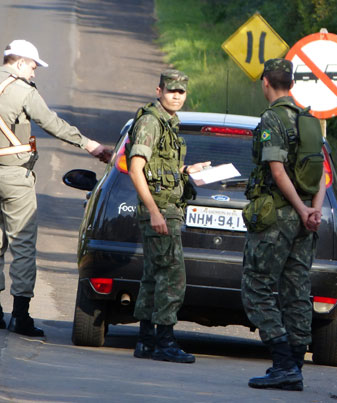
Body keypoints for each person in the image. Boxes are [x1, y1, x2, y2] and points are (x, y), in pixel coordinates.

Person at [0, 39, 112, 337]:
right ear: (21, 62)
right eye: (34, 67)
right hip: (15, 177)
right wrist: (88, 144)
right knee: (22, 245)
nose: (35, 73)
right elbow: (51, 123)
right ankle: (21, 317)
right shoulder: (24, 91)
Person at [241, 58, 326, 391]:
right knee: (296, 290)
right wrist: (312, 211)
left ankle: (282, 362)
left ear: (266, 82)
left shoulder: (272, 119)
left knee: (257, 286)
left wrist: (299, 210)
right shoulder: (310, 121)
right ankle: (295, 366)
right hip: (305, 219)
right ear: (291, 83)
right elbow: (321, 175)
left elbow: (276, 171)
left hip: (277, 217)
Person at [126, 69, 209, 363]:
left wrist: (187, 171)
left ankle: (147, 340)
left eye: (181, 92)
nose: (176, 96)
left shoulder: (168, 123)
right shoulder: (151, 121)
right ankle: (164, 341)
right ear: (158, 90)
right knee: (173, 276)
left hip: (167, 207)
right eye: (171, 90)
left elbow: (157, 169)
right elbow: (136, 169)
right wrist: (154, 212)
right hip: (160, 209)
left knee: (155, 275)